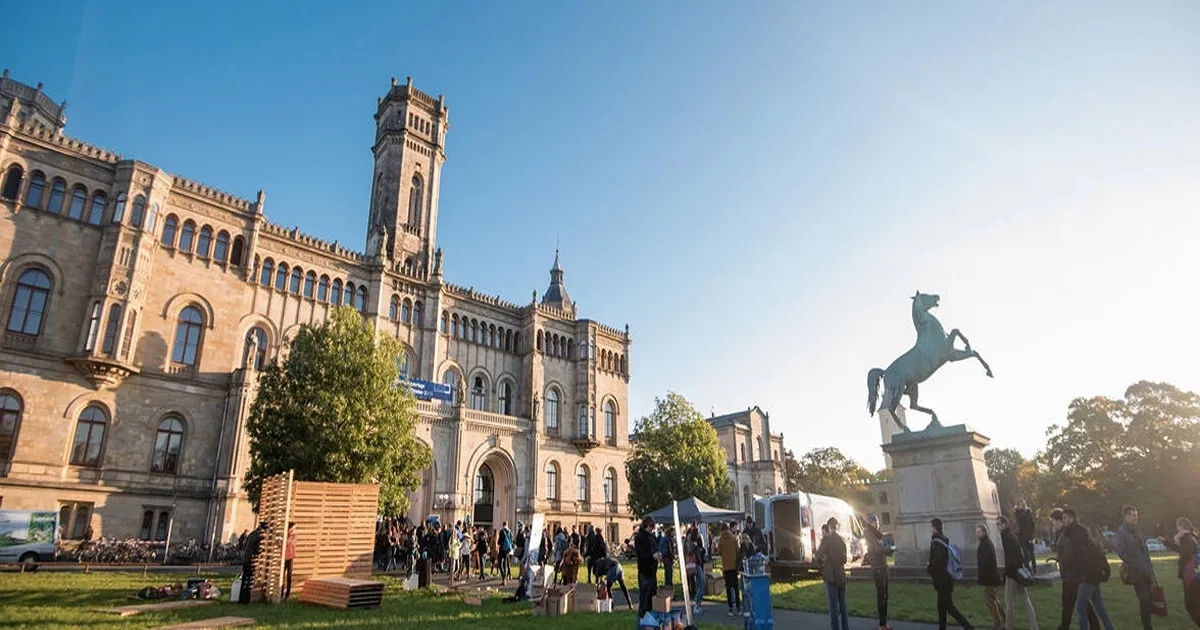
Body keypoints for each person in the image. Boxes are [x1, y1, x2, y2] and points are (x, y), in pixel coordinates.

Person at [1059, 508, 1114, 630]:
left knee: (1080, 608)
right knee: (1100, 608)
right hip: (1093, 574)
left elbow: (1075, 554)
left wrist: (1064, 563)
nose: (1063, 521)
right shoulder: (1079, 532)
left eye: (1065, 518)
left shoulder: (1076, 534)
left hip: (1087, 575)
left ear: (1072, 519)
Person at [1051, 507, 1101, 630]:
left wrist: (1062, 561)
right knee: (1078, 603)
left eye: (1053, 521)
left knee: (1072, 603)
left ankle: (1066, 626)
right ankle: (1092, 626)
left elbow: (1070, 553)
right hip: (1071, 575)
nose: (1052, 524)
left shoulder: (1067, 534)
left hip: (1072, 576)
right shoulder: (1063, 533)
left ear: (1060, 521)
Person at [1114, 505, 1155, 630]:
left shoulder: (1137, 530)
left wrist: (1150, 568)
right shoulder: (1121, 532)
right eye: (1133, 515)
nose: (1136, 517)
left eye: (1136, 515)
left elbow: (1144, 551)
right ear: (1126, 516)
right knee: (1144, 600)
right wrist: (1133, 562)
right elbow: (1120, 551)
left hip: (1146, 570)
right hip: (1136, 572)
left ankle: (1148, 624)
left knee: (1149, 600)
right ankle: (1147, 626)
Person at [928, 518, 973, 630]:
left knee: (949, 607)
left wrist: (929, 567)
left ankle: (968, 626)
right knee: (941, 607)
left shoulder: (936, 543)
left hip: (942, 579)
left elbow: (937, 562)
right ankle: (942, 628)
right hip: (947, 578)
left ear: (935, 528)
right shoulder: (944, 540)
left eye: (932, 527)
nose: (930, 529)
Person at [1159, 516, 1200, 626]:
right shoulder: (1192, 537)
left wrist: (1178, 540)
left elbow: (1185, 555)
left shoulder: (1185, 538)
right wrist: (1166, 542)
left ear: (1181, 526)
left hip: (1190, 576)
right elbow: (1182, 550)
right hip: (1195, 574)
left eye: (1178, 527)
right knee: (1196, 603)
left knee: (1191, 605)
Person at [998, 517, 1037, 630]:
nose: (998, 526)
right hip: (1018, 573)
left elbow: (1012, 558)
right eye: (997, 524)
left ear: (1005, 524)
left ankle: (1008, 626)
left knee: (1009, 601)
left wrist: (1009, 573)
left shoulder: (1008, 538)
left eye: (999, 524)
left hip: (1012, 574)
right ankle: (1034, 626)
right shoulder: (1010, 537)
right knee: (1025, 600)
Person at [816, 516, 850, 630]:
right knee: (843, 606)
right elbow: (845, 559)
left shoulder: (827, 540)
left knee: (833, 608)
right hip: (841, 574)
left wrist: (825, 559)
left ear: (829, 527)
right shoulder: (841, 540)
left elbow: (818, 556)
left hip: (831, 576)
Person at [864, 516, 892, 630]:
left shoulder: (877, 534)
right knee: (881, 596)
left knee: (885, 596)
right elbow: (876, 548)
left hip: (882, 566)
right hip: (878, 568)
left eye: (877, 521)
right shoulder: (869, 533)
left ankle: (884, 623)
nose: (877, 524)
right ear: (871, 523)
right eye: (875, 522)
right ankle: (882, 624)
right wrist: (889, 549)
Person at [976, 523, 1004, 630]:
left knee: (990, 602)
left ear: (984, 532)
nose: (977, 534)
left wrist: (983, 577)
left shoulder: (986, 545)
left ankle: (998, 623)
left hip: (989, 578)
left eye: (979, 532)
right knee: (994, 599)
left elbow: (987, 563)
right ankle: (1005, 617)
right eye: (977, 532)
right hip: (990, 577)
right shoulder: (985, 544)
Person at [634, 517, 662, 618]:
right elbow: (640, 555)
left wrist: (658, 553)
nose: (652, 529)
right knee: (644, 601)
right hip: (645, 572)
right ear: (646, 525)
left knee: (652, 600)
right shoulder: (639, 537)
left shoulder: (651, 537)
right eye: (651, 527)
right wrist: (652, 556)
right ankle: (641, 622)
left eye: (653, 527)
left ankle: (650, 623)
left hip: (652, 572)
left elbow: (655, 548)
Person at [239, 521, 267, 605]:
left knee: (244, 579)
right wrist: (262, 550)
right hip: (252, 560)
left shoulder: (252, 533)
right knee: (250, 580)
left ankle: (241, 599)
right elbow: (258, 550)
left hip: (246, 559)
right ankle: (246, 600)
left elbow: (245, 545)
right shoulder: (260, 536)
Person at [718, 521, 742, 616]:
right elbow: (738, 551)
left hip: (726, 566)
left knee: (728, 587)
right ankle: (739, 607)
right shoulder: (733, 538)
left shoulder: (721, 540)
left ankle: (730, 608)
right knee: (736, 587)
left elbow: (719, 552)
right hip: (733, 566)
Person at [1015, 501, 1037, 571]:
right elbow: (1019, 521)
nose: (1020, 506)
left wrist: (1032, 534)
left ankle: (1034, 567)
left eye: (1021, 505)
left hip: (1029, 536)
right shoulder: (1018, 514)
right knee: (1026, 553)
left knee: (1031, 553)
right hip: (1022, 536)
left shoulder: (1027, 513)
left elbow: (1032, 524)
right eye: (1019, 505)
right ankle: (1028, 568)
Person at [283, 522, 297, 601]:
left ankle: (287, 595)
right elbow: (286, 544)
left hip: (290, 557)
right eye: (294, 528)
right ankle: (281, 593)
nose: (295, 530)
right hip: (285, 557)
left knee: (289, 576)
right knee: (282, 576)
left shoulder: (294, 536)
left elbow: (293, 544)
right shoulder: (286, 535)